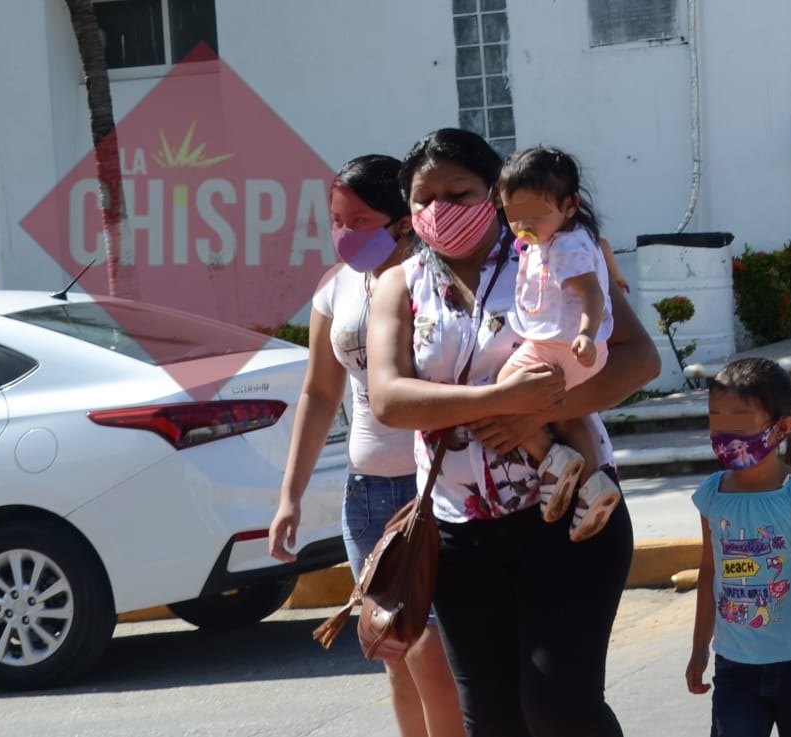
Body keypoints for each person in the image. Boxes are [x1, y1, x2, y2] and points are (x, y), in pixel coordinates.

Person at [366, 127, 660, 737]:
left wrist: (539, 414)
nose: (439, 209)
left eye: (458, 193)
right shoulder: (399, 283)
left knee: (560, 710)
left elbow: (639, 359)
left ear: (495, 192)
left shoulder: (558, 251)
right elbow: (389, 398)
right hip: (459, 535)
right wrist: (499, 401)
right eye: (423, 199)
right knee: (493, 721)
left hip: (570, 517)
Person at [268, 155, 465, 737]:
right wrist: (290, 496)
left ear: (402, 220)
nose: (343, 234)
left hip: (435, 491)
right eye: (335, 221)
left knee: (432, 654)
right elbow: (318, 393)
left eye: (358, 221)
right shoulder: (335, 289)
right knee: (394, 652)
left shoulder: (435, 278)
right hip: (367, 498)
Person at [685, 357, 791, 737]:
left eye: (738, 422)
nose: (724, 433)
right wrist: (699, 649)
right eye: (716, 420)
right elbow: (710, 573)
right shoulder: (712, 495)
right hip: (735, 670)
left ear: (782, 428)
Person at [495, 145, 620, 542]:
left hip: (563, 345)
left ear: (570, 205)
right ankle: (595, 486)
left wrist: (585, 332)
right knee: (571, 416)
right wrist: (614, 272)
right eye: (513, 215)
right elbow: (602, 247)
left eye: (534, 214)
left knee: (504, 388)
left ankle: (552, 458)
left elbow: (591, 294)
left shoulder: (563, 246)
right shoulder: (569, 235)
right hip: (575, 348)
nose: (523, 225)